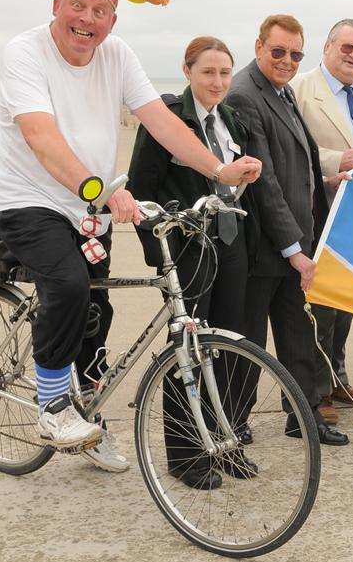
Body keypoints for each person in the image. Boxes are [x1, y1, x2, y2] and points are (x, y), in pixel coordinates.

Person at [0, 0, 261, 474]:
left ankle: (90, 425)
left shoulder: (117, 55)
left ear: (114, 21)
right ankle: (52, 406)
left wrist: (219, 170)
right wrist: (103, 190)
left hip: (89, 207)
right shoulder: (25, 51)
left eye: (101, 11)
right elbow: (41, 136)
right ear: (56, 6)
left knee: (95, 319)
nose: (87, 19)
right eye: (78, 6)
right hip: (26, 198)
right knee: (66, 286)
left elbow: (162, 122)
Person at [128, 36, 262, 489]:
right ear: (187, 72)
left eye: (225, 72)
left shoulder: (233, 120)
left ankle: (224, 443)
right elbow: (142, 189)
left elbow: (234, 190)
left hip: (230, 247)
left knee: (224, 350)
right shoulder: (166, 120)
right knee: (187, 352)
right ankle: (186, 456)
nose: (218, 81)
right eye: (208, 72)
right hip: (186, 251)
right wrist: (163, 256)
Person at [225, 14, 351, 446]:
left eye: (296, 54)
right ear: (259, 46)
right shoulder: (244, 94)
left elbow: (302, 158)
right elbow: (265, 183)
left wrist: (326, 183)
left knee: (300, 335)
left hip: (298, 239)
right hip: (265, 245)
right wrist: (294, 248)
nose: (287, 61)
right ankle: (235, 422)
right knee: (250, 340)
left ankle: (304, 415)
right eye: (278, 51)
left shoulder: (283, 92)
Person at [290, 18, 353, 424]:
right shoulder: (301, 90)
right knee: (320, 304)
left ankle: (337, 375)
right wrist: (336, 161)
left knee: (346, 301)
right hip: (319, 210)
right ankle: (315, 391)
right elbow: (295, 149)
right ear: (327, 47)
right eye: (347, 47)